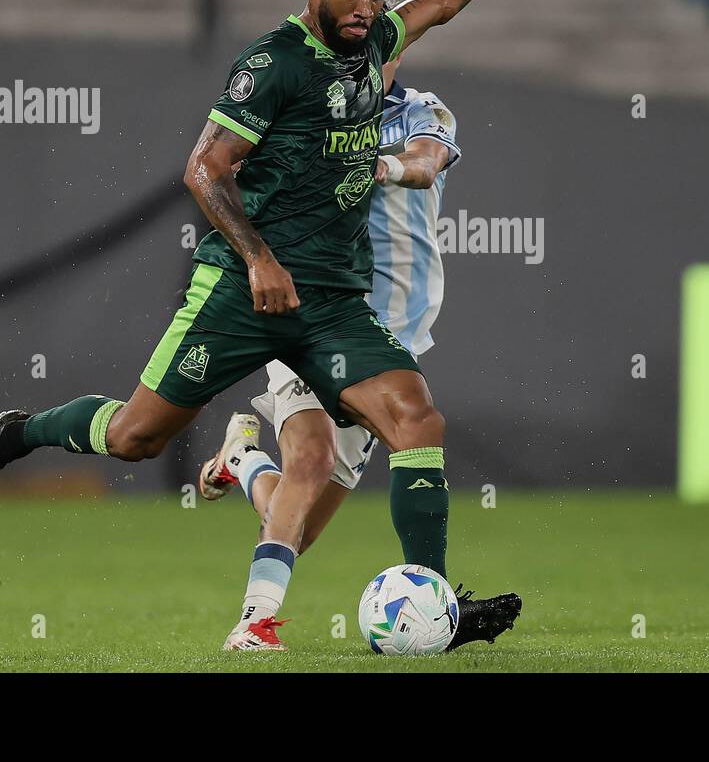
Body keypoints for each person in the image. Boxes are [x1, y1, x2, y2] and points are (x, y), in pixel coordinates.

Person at [0, 0, 578, 652]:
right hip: (244, 291)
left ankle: (434, 607)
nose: (368, 10)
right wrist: (261, 259)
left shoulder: (375, 46)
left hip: (334, 303)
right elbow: (205, 168)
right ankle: (20, 432)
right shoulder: (273, 63)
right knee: (137, 437)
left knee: (417, 420)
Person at [201, 52, 516, 650]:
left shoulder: (422, 110)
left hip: (387, 336)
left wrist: (375, 166)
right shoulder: (306, 114)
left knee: (301, 529)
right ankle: (256, 622)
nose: (363, 54)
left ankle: (242, 460)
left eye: (379, 40)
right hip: (314, 313)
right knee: (312, 461)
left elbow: (425, 165)